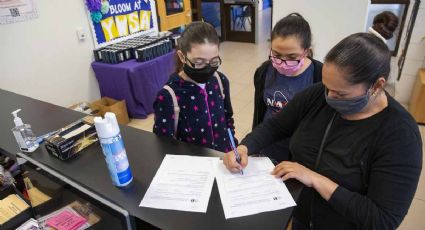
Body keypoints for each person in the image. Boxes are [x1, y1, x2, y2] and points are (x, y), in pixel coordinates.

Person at [224, 33, 422, 229]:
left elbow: (382, 219)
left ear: (376, 86)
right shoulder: (318, 95)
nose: (330, 97)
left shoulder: (400, 135)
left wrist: (315, 179)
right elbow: (276, 126)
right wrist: (244, 147)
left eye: (341, 93)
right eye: (328, 87)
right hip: (299, 217)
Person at [153, 22, 237, 153]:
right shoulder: (169, 96)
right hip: (194, 166)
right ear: (182, 57)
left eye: (214, 61)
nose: (208, 68)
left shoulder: (220, 81)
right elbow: (164, 143)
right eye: (199, 62)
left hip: (223, 159)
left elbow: (227, 119)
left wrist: (233, 148)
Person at [252, 13, 322, 163]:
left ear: (306, 52)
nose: (282, 63)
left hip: (299, 156)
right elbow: (259, 113)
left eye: (291, 57)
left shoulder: (319, 75)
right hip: (268, 147)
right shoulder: (264, 72)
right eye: (276, 54)